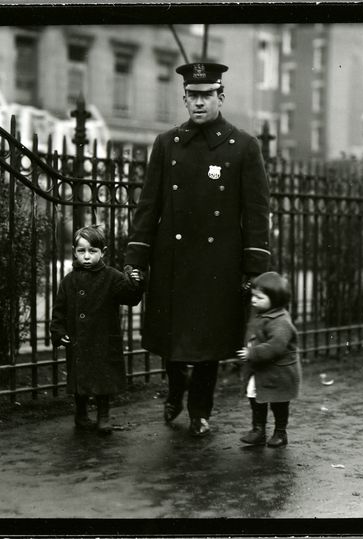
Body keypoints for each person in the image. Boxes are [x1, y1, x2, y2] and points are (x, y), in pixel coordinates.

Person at [125, 62, 271, 437]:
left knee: (208, 344)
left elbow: (256, 214)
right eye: (193, 96)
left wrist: (254, 268)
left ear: (221, 97)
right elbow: (149, 205)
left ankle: (199, 410)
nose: (200, 103)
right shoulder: (167, 143)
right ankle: (175, 390)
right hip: (172, 258)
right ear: (184, 98)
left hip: (217, 262)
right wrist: (135, 258)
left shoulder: (243, 147)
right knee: (171, 338)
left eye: (208, 96)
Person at [50, 225, 144, 435]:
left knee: (104, 379)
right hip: (78, 340)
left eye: (92, 251)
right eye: (81, 251)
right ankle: (81, 415)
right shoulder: (69, 281)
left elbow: (130, 297)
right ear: (74, 251)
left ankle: (104, 416)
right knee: (80, 379)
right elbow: (59, 310)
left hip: (103, 339)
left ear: (103, 252)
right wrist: (58, 330)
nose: (86, 256)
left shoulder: (111, 277)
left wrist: (136, 283)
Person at [236, 272, 302, 448]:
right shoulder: (262, 313)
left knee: (279, 403)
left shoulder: (281, 322)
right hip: (260, 371)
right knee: (255, 397)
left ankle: (280, 432)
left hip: (278, 372)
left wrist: (252, 353)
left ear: (275, 299)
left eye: (259, 297)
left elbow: (276, 346)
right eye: (253, 296)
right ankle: (258, 430)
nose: (253, 301)